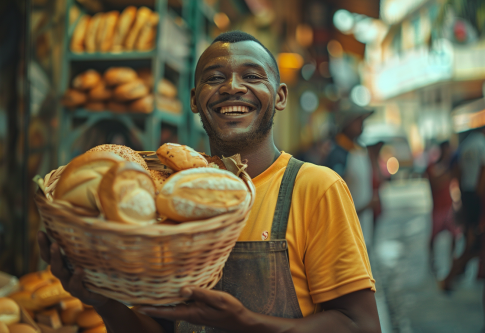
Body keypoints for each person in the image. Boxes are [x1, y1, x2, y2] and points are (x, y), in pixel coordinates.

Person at [38, 31, 380, 333]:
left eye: (251, 75)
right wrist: (104, 302)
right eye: (215, 77)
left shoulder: (316, 188)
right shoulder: (165, 199)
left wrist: (245, 323)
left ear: (279, 96)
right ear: (194, 99)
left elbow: (360, 325)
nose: (232, 87)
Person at [324, 105, 376, 250]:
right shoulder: (337, 155)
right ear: (347, 123)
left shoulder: (359, 150)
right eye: (357, 120)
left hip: (363, 232)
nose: (362, 124)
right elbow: (332, 199)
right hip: (344, 237)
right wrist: (365, 206)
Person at [440, 126, 485, 292]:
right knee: (474, 243)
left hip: (467, 194)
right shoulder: (482, 145)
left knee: (470, 240)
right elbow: (482, 178)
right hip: (478, 198)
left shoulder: (466, 144)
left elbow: (456, 170)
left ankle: (454, 275)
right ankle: (450, 277)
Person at [425, 141, 460, 274]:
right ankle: (432, 261)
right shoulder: (435, 167)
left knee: (454, 236)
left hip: (448, 207)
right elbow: (436, 183)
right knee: (433, 238)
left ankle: (451, 261)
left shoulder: (445, 166)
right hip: (438, 209)